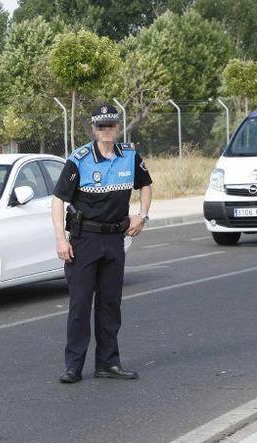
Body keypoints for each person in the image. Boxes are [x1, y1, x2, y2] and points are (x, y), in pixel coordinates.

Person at [51, 104, 153, 384]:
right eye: (100, 127)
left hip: (114, 239)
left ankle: (108, 363)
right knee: (80, 305)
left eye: (110, 126)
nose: (105, 131)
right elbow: (59, 199)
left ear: (117, 128)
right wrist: (61, 238)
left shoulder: (130, 156)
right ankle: (73, 366)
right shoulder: (80, 158)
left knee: (110, 305)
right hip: (85, 240)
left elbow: (146, 184)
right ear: (94, 129)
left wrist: (142, 217)